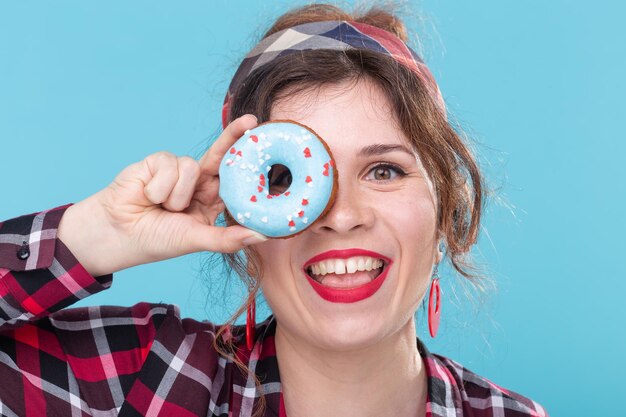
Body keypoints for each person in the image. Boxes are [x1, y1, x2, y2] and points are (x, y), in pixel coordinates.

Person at [0, 4, 549, 417]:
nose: (340, 215)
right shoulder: (150, 378)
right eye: (286, 180)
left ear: (446, 208)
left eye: (384, 170)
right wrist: (94, 236)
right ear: (242, 218)